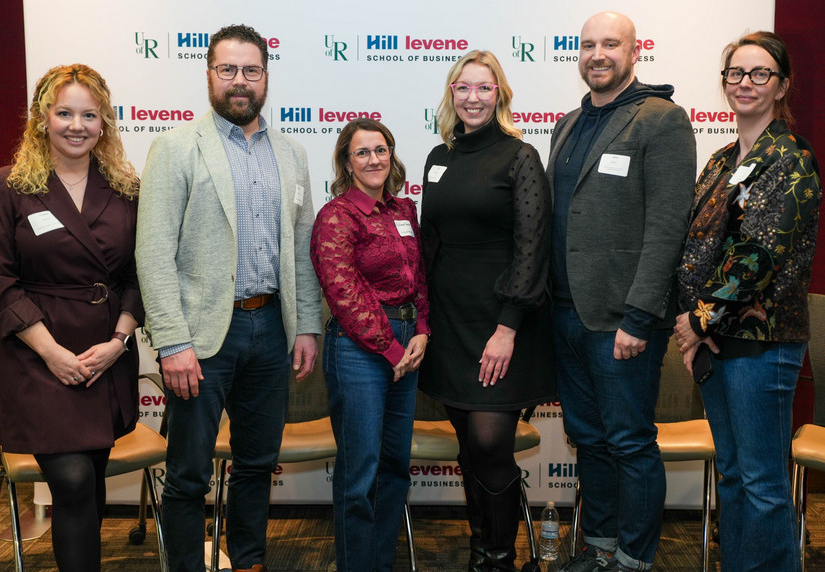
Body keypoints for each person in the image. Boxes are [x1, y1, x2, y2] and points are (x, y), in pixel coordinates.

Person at [135, 24, 321, 572]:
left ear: (266, 77)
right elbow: (153, 252)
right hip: (200, 336)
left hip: (270, 331)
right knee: (189, 471)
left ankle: (248, 562)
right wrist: (171, 342)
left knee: (257, 465)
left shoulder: (292, 153)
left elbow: (303, 246)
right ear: (210, 74)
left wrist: (307, 324)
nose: (240, 82)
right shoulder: (175, 147)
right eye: (228, 70)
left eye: (251, 71)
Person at [0, 64, 142, 572]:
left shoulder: (125, 187)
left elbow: (141, 273)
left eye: (88, 115)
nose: (77, 125)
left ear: (103, 122)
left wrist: (119, 340)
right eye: (64, 112)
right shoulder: (7, 185)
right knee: (70, 482)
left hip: (104, 353)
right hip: (39, 355)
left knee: (89, 479)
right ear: (42, 118)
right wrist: (52, 354)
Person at [548, 11, 696, 572]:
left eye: (611, 44)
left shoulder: (660, 120)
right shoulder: (567, 123)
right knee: (589, 441)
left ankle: (634, 558)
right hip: (565, 315)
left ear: (635, 52)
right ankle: (600, 548)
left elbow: (667, 227)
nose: (597, 54)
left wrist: (640, 316)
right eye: (588, 45)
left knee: (630, 442)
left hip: (621, 320)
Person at [673, 31, 821, 572]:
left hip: (762, 345)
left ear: (782, 85)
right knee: (733, 475)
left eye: (760, 74)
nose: (745, 83)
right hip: (716, 341)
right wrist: (696, 326)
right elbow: (695, 247)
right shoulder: (720, 160)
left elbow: (756, 257)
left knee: (762, 484)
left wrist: (695, 321)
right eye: (735, 73)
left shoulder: (790, 159)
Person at [419, 50, 555, 572]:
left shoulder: (520, 157)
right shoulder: (438, 158)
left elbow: (532, 246)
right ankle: (482, 552)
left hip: (502, 323)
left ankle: (500, 558)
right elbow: (430, 242)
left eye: (484, 87)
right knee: (469, 448)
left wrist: (508, 327)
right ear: (450, 95)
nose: (472, 98)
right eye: (463, 88)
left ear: (499, 95)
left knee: (491, 442)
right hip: (450, 323)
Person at [310, 119, 430, 571]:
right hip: (359, 351)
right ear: (347, 161)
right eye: (362, 152)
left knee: (395, 467)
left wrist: (421, 329)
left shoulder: (404, 210)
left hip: (407, 343)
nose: (374, 159)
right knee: (360, 473)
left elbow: (418, 275)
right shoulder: (336, 216)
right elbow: (343, 291)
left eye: (381, 150)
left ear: (392, 155)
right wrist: (390, 348)